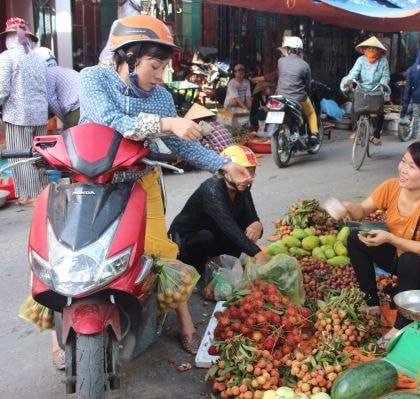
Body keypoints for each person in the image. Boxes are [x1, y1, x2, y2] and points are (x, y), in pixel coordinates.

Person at [78, 15, 252, 356]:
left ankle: (184, 320)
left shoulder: (160, 96)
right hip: (92, 184)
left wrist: (224, 165)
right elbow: (109, 122)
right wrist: (167, 124)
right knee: (76, 256)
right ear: (129, 57)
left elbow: (183, 147)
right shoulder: (94, 79)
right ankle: (60, 334)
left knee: (159, 251)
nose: (160, 77)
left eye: (163, 68)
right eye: (155, 67)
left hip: (141, 182)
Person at [340, 141, 420, 344]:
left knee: (410, 259)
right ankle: (371, 302)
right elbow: (363, 210)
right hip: (402, 260)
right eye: (403, 162)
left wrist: (390, 238)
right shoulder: (391, 187)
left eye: (412, 167)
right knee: (355, 238)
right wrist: (350, 208)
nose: (403, 169)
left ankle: (402, 323)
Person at [169, 145, 269, 277]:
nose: (248, 178)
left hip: (215, 232)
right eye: (243, 172)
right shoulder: (212, 190)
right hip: (185, 242)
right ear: (226, 172)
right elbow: (229, 226)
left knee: (247, 231)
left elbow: (250, 217)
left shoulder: (242, 187)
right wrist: (257, 253)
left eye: (251, 172)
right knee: (206, 237)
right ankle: (198, 275)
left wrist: (257, 224)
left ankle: (220, 267)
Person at [0, 17, 48, 207]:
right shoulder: (39, 58)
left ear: (9, 37)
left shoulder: (7, 57)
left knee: (21, 157)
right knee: (40, 156)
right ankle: (43, 193)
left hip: (18, 115)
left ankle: (29, 196)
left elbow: (2, 89)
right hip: (40, 114)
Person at [341, 36, 390, 146]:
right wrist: (349, 80)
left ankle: (376, 135)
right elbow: (354, 72)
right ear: (364, 50)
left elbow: (385, 76)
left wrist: (383, 84)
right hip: (361, 89)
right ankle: (355, 130)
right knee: (355, 109)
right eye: (369, 48)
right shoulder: (361, 60)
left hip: (376, 90)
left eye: (374, 49)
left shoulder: (383, 61)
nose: (371, 51)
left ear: (379, 51)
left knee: (380, 113)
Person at [277, 36, 320, 146]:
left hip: (282, 97)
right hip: (299, 98)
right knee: (311, 113)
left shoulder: (280, 61)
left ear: (288, 49)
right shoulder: (305, 65)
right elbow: (307, 84)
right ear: (300, 50)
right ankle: (314, 134)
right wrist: (307, 94)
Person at [33, 47, 81, 129]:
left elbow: (51, 101)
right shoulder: (61, 71)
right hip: (85, 107)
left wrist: (64, 121)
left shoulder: (47, 73)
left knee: (70, 139)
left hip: (75, 110)